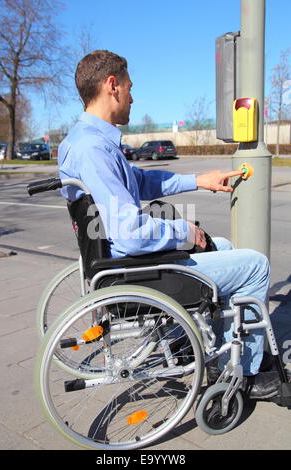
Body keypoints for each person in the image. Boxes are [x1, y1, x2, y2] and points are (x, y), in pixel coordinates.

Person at [58, 50, 287, 399]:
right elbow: (131, 234)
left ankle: (204, 346)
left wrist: (200, 179)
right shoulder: (94, 150)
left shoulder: (82, 141)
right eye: (130, 88)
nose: (133, 97)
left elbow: (142, 184)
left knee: (223, 247)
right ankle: (245, 375)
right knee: (255, 266)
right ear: (112, 86)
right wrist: (184, 232)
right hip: (132, 271)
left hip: (117, 262)